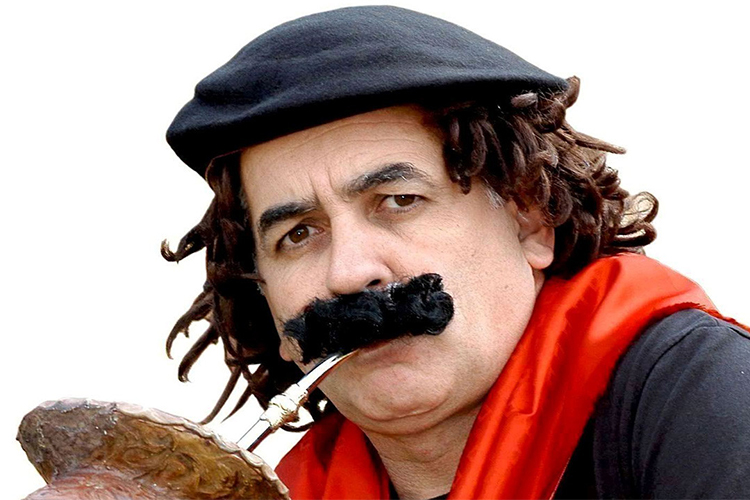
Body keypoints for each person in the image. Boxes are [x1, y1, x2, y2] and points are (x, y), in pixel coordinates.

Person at [162, 6, 750, 499]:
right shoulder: (284, 491)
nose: (350, 273)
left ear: (531, 221)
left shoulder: (701, 398)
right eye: (298, 234)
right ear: (267, 302)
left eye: (399, 201)